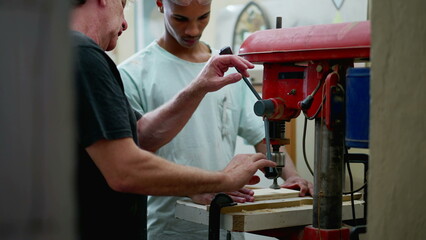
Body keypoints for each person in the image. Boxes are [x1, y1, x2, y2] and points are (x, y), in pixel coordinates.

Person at [70, 0, 276, 239]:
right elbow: (125, 170)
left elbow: (141, 135)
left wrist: (198, 87)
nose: (125, 23)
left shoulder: (61, 51)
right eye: (123, 4)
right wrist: (223, 180)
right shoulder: (83, 54)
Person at [118, 0, 314, 239]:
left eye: (203, 17)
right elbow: (132, 157)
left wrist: (291, 176)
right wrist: (192, 187)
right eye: (180, 18)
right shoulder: (132, 74)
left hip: (226, 225)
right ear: (160, 4)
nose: (193, 30)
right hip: (169, 229)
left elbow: (261, 135)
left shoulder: (227, 69)